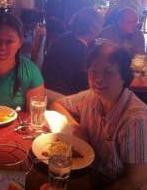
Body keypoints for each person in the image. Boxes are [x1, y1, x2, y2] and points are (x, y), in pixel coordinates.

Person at [50, 42, 147, 189]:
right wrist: (76, 127)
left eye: (108, 73)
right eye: (93, 71)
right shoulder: (91, 96)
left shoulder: (135, 119)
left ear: (124, 76)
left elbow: (135, 180)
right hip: (86, 174)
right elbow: (57, 104)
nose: (98, 79)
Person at [41, 7, 103, 96]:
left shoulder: (67, 36)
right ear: (93, 28)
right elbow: (83, 82)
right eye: (101, 25)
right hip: (60, 95)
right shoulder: (80, 49)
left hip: (46, 87)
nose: (101, 28)